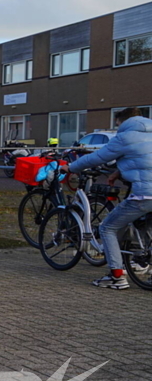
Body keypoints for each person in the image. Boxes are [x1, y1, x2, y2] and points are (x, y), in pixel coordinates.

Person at [66, 107, 152, 289]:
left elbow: (96, 158)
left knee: (107, 228)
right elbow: (145, 159)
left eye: (118, 123)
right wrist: (118, 171)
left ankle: (116, 277)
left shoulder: (125, 137)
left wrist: (71, 168)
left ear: (123, 121)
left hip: (145, 195)